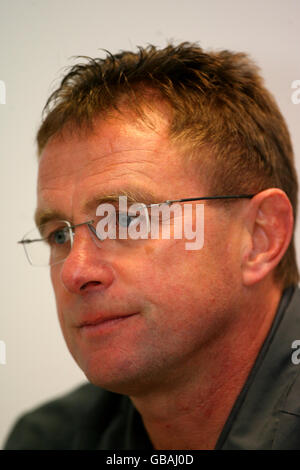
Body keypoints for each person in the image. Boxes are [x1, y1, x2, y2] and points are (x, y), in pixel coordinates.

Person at [4, 42, 300, 450]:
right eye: (60, 235)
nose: (75, 271)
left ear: (260, 237)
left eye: (125, 218)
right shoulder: (46, 439)